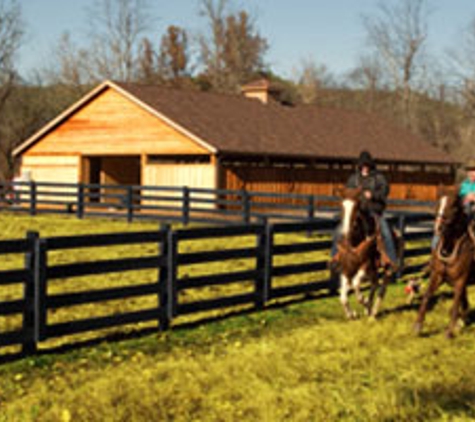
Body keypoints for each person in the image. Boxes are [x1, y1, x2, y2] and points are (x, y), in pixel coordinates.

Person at [330, 150, 398, 269]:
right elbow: (348, 193)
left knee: (386, 231)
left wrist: (372, 195)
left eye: (367, 165)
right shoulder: (353, 179)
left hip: (374, 211)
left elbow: (385, 192)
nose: (365, 168)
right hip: (357, 212)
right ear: (359, 166)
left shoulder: (379, 178)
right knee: (339, 230)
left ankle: (390, 260)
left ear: (371, 166)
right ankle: (335, 257)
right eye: (363, 165)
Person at [431, 159, 475, 251]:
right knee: (443, 227)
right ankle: (434, 251)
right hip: (462, 212)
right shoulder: (462, 185)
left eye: (474, 170)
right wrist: (464, 199)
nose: (472, 173)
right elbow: (454, 200)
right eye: (470, 171)